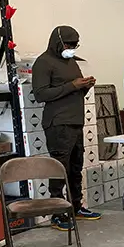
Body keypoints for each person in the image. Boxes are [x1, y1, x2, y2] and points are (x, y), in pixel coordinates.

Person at [32, 26, 100, 230]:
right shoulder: (44, 63)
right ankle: (57, 213)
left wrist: (85, 85)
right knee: (59, 169)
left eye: (74, 45)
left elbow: (74, 90)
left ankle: (76, 206)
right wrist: (73, 85)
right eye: (69, 45)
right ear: (57, 42)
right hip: (58, 124)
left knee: (75, 168)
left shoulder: (71, 61)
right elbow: (41, 94)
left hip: (75, 121)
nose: (71, 48)